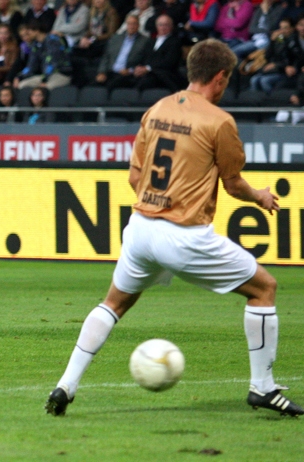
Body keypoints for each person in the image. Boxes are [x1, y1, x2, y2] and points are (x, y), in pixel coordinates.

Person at [44, 38, 304, 418]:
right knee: (264, 288)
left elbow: (135, 175)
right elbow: (233, 184)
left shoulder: (157, 109)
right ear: (219, 77)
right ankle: (262, 387)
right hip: (183, 234)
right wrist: (260, 197)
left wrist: (158, 201)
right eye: (226, 80)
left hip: (140, 228)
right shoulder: (219, 121)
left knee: (114, 303)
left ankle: (66, 384)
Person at [95, 13, 148, 90]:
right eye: (129, 23)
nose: (131, 26)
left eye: (134, 23)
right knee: (92, 85)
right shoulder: (115, 38)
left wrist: (130, 70)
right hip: (110, 72)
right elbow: (106, 56)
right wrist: (101, 72)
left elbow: (144, 61)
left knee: (110, 86)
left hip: (127, 74)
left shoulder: (144, 41)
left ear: (138, 25)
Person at [15, 19, 73, 90]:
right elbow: (31, 65)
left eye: (29, 31)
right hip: (46, 75)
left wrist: (44, 79)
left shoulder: (53, 40)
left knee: (42, 91)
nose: (28, 34)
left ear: (37, 31)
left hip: (61, 74)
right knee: (22, 85)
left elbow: (52, 62)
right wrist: (19, 77)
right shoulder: (35, 45)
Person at [249, 18, 297, 94]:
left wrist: (276, 65)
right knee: (254, 79)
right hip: (276, 69)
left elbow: (290, 59)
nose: (282, 31)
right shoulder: (280, 39)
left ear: (292, 28)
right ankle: (255, 102)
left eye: (285, 28)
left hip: (285, 71)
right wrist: (272, 41)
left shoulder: (294, 40)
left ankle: (271, 101)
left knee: (265, 81)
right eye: (281, 28)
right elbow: (268, 56)